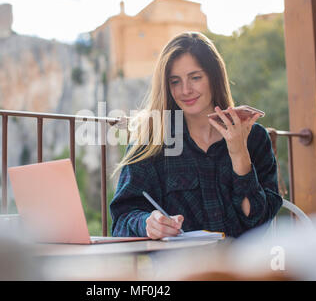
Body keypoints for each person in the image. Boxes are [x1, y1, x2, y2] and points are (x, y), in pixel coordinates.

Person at [109, 32, 283, 239]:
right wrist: (147, 223)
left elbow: (258, 220)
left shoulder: (255, 138)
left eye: (195, 78)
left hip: (243, 267)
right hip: (180, 269)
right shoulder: (153, 140)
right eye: (175, 81)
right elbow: (122, 220)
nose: (185, 90)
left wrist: (239, 154)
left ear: (214, 77)